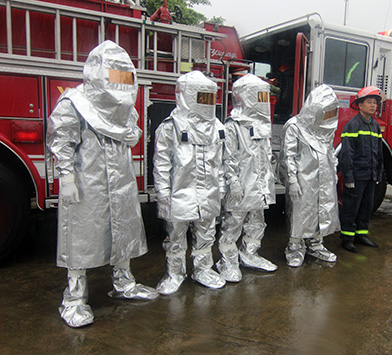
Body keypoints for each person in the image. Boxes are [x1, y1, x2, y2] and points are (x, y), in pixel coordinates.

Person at [47, 41, 158, 328]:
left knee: (123, 228)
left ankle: (123, 281)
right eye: (114, 75)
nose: (119, 83)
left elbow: (131, 127)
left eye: (124, 77)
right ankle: (74, 297)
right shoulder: (74, 103)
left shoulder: (122, 105)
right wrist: (67, 176)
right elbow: (62, 141)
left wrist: (133, 134)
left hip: (120, 178)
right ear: (98, 72)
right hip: (88, 180)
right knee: (81, 233)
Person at [153, 71, 226, 291]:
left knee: (206, 231)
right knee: (176, 234)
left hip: (209, 191)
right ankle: (175, 274)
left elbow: (219, 161)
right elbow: (162, 163)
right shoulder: (170, 127)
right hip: (180, 192)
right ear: (188, 96)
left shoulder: (217, 127)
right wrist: (163, 193)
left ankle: (203, 269)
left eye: (209, 97)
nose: (206, 103)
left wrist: (221, 187)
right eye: (201, 97)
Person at [216, 74, 277, 282]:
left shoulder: (262, 124)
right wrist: (232, 181)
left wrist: (268, 179)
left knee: (257, 221)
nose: (262, 100)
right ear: (245, 96)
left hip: (259, 186)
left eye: (264, 96)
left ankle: (250, 253)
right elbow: (228, 157)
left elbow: (265, 156)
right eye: (258, 95)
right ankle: (227, 261)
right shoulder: (233, 125)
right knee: (233, 223)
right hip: (241, 185)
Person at [279, 84, 339, 267]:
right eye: (326, 112)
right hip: (303, 178)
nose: (329, 117)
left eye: (332, 113)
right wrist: (292, 180)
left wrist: (333, 171)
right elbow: (288, 155)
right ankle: (294, 247)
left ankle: (316, 243)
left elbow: (330, 151)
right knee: (300, 213)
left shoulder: (325, 128)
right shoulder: (295, 126)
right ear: (315, 110)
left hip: (323, 176)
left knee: (321, 210)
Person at [339, 86, 384, 253]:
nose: (373, 106)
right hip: (357, 175)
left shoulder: (376, 126)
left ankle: (361, 234)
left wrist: (378, 173)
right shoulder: (352, 125)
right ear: (360, 105)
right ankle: (347, 238)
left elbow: (379, 153)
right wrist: (348, 177)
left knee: (367, 206)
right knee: (351, 206)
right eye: (369, 102)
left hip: (371, 175)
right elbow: (347, 154)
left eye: (375, 103)